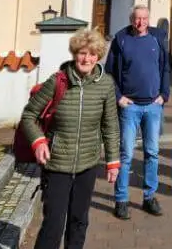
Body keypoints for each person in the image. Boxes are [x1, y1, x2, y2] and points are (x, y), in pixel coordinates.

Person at [20, 29, 120, 249]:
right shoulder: (58, 81)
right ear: (75, 53)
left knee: (79, 220)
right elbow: (29, 115)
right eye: (82, 53)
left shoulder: (105, 84)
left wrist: (113, 162)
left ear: (98, 56)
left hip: (88, 164)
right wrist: (38, 141)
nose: (87, 59)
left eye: (92, 54)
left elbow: (110, 125)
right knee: (54, 223)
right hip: (56, 164)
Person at [105, 5, 169, 220]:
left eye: (144, 18)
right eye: (137, 18)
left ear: (149, 19)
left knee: (152, 153)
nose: (140, 22)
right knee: (127, 154)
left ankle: (149, 196)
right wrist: (118, 97)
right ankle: (121, 200)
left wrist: (164, 95)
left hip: (153, 105)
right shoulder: (121, 39)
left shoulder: (157, 39)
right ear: (131, 19)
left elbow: (165, 68)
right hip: (130, 107)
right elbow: (110, 72)